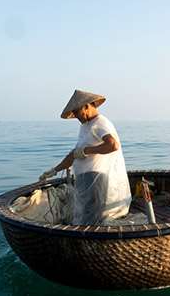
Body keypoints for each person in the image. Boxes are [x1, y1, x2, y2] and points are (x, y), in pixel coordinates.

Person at [39, 89, 132, 225]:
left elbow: (113, 145)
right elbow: (75, 154)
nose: (76, 116)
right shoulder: (86, 126)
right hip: (85, 176)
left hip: (96, 176)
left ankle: (91, 240)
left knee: (94, 212)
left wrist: (87, 151)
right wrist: (55, 170)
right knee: (86, 210)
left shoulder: (101, 123)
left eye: (76, 112)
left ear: (86, 106)